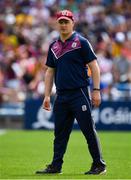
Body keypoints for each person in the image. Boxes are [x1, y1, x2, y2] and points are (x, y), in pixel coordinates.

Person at [36, 10, 106, 175]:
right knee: (59, 134)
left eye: (66, 21)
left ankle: (99, 165)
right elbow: (49, 72)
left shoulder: (81, 42)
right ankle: (56, 166)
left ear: (72, 23)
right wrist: (47, 95)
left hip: (79, 93)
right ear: (57, 24)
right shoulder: (53, 46)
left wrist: (96, 90)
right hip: (61, 95)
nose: (63, 24)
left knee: (88, 130)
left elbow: (94, 66)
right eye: (61, 22)